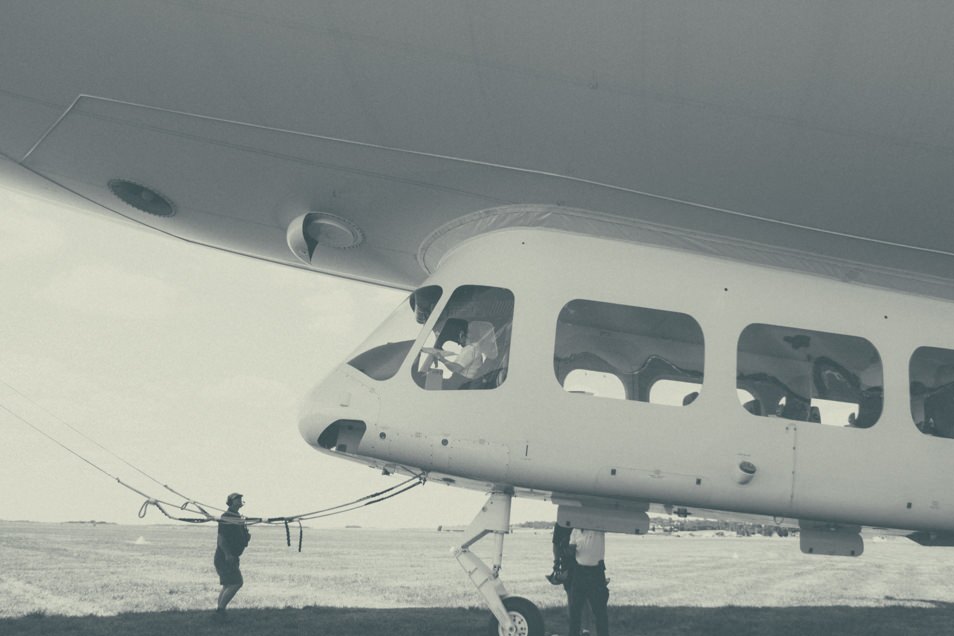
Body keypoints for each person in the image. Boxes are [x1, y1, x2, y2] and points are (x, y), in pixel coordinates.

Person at [213, 492, 251, 621]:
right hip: (225, 556)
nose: (240, 500)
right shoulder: (226, 517)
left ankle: (219, 612)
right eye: (237, 498)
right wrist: (228, 554)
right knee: (236, 583)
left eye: (241, 498)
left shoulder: (238, 517)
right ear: (230, 502)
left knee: (228, 584)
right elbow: (221, 539)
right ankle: (220, 610)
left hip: (231, 555)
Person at [567, 528, 609, 636]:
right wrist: (570, 550)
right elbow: (572, 550)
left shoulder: (597, 528)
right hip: (579, 572)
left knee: (600, 611)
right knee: (575, 610)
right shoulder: (575, 531)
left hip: (596, 573)